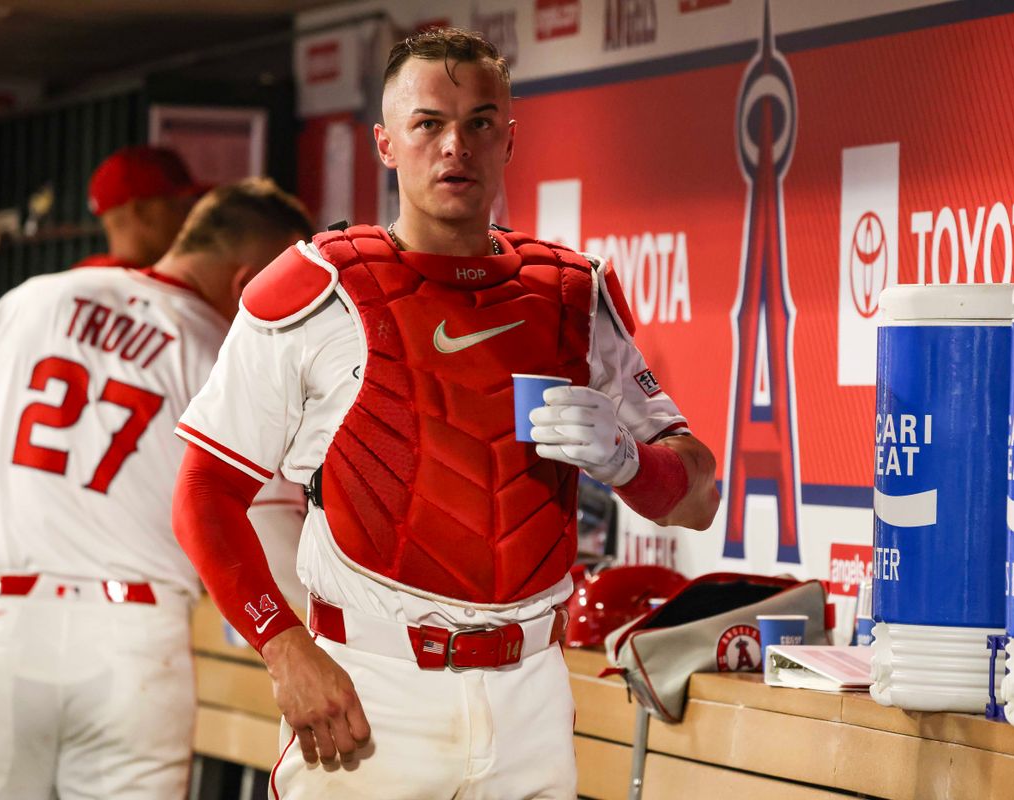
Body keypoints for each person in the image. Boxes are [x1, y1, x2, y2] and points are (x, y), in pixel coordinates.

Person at [171, 27, 720, 800]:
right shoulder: (315, 288)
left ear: (509, 140)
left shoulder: (574, 293)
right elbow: (202, 492)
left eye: (480, 122)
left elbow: (697, 496)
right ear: (386, 143)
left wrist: (629, 461)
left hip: (530, 690)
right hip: (371, 688)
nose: (454, 145)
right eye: (427, 123)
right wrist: (283, 645)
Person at [0, 178, 314, 800]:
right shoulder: (220, 353)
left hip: (10, 622)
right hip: (135, 643)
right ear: (246, 283)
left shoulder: (31, 299)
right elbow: (265, 530)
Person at [78, 145, 208, 269]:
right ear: (141, 212)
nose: (191, 219)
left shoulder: (74, 283)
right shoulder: (149, 287)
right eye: (183, 207)